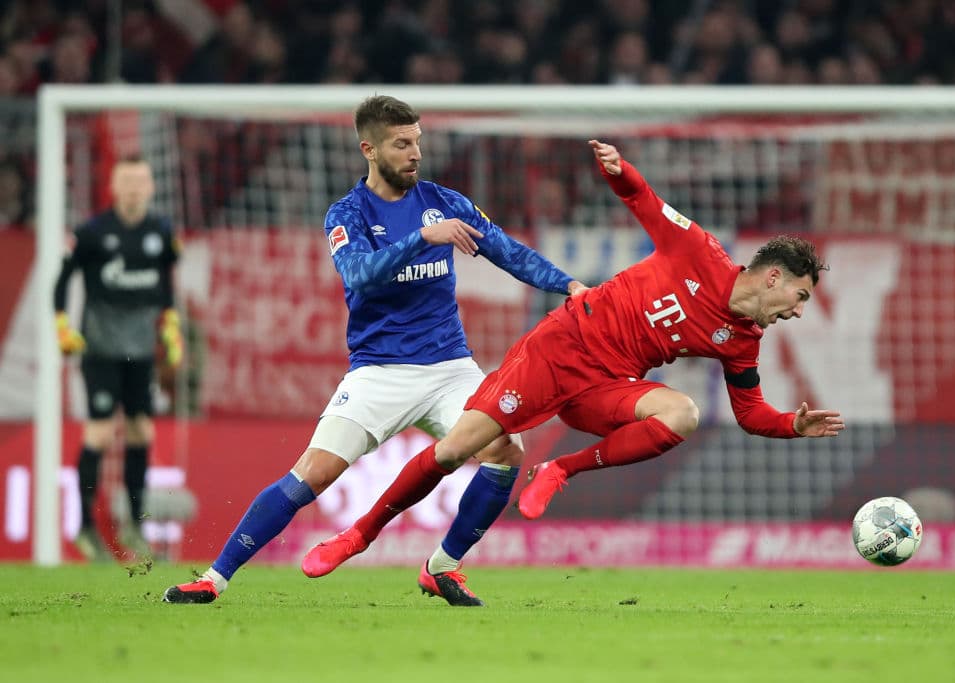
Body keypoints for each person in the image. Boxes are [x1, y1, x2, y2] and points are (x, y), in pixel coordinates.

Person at [303, 139, 845, 600]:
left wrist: (791, 426)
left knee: (682, 413)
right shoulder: (700, 251)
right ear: (772, 277)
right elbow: (646, 202)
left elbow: (750, 414)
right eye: (798, 296)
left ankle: (559, 472)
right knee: (452, 451)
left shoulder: (743, 342)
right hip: (560, 348)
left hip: (608, 385)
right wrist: (620, 169)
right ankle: (360, 535)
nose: (797, 310)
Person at [162, 95, 584, 605]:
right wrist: (422, 240)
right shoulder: (347, 213)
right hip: (379, 372)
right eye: (401, 144)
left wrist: (569, 286)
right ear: (370, 149)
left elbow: (508, 252)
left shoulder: (445, 201)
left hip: (450, 368)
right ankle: (213, 578)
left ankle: (443, 567)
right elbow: (359, 273)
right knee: (309, 476)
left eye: (417, 142)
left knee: (505, 453)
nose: (414, 154)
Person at [53, 156, 184, 561]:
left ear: (150, 187)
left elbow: (165, 283)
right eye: (125, 181)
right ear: (113, 186)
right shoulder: (93, 233)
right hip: (101, 351)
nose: (132, 188)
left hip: (140, 351)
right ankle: (86, 528)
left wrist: (170, 323)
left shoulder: (161, 233)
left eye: (139, 181)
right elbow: (61, 279)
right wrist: (62, 323)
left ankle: (135, 525)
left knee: (141, 432)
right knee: (99, 432)